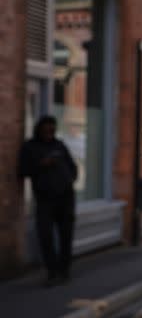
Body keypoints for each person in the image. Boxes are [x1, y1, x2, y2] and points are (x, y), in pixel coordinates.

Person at [19, 115, 78, 286]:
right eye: (46, 130)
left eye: (52, 130)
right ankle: (52, 271)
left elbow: (72, 167)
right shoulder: (30, 147)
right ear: (39, 130)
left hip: (66, 197)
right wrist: (41, 164)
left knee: (66, 236)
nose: (49, 133)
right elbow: (22, 171)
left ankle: (64, 270)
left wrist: (70, 179)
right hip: (45, 199)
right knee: (45, 235)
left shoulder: (59, 145)